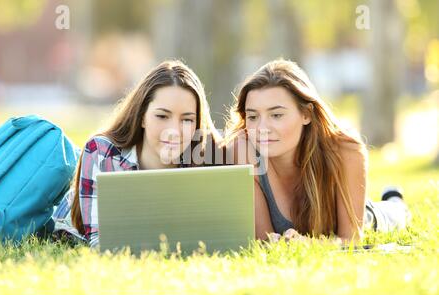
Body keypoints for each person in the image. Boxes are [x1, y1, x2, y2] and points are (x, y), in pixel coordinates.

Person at [223, 59, 412, 244]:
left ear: (306, 114)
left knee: (395, 215)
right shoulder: (242, 152)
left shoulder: (346, 150)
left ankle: (394, 200)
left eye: (276, 115)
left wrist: (309, 244)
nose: (261, 128)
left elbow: (351, 239)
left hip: (371, 217)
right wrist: (274, 243)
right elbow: (263, 240)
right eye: (253, 116)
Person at [52, 60, 221, 247]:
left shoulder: (207, 157)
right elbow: (99, 243)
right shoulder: (101, 152)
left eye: (187, 119)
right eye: (162, 116)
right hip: (71, 220)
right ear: (142, 117)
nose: (174, 130)